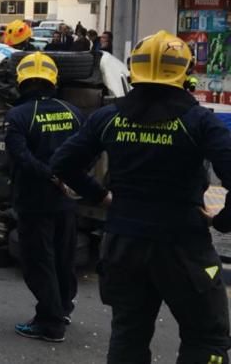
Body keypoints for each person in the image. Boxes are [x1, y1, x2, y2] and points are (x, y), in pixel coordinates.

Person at [51, 30, 231, 363]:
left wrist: (100, 196)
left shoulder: (109, 118)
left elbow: (63, 163)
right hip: (183, 247)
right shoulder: (199, 122)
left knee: (129, 335)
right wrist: (222, 221)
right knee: (206, 336)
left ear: (135, 70)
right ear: (185, 72)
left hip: (123, 246)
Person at [5, 52, 84, 343]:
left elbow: (20, 157)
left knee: (39, 261)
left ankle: (49, 323)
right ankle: (62, 308)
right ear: (53, 80)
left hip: (34, 200)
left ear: (21, 81)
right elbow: (88, 151)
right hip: (67, 200)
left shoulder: (18, 116)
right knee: (64, 257)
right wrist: (69, 178)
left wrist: (50, 175)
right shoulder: (73, 111)